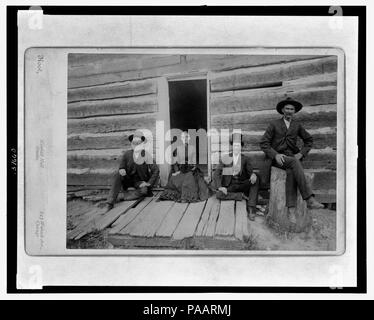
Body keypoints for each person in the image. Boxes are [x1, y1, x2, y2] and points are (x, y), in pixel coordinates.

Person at [259, 97, 324, 224]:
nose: (289, 111)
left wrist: (301, 153)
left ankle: (291, 210)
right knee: (295, 163)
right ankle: (309, 199)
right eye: (287, 108)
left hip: (289, 158)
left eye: (292, 109)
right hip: (275, 158)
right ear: (282, 110)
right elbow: (264, 143)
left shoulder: (297, 125)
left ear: (294, 111)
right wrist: (275, 155)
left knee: (291, 171)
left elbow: (309, 140)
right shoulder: (274, 124)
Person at [103, 131, 159, 212]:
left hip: (139, 181)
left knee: (144, 190)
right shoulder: (127, 154)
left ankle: (123, 196)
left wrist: (149, 183)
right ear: (131, 143)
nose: (136, 144)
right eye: (134, 142)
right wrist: (122, 169)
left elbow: (156, 170)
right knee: (117, 174)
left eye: (138, 142)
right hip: (128, 179)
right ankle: (110, 203)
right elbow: (122, 166)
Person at [212, 133, 259, 221]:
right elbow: (216, 173)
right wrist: (220, 187)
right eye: (234, 145)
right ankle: (240, 196)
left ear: (241, 147)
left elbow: (250, 173)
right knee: (219, 194)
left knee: (256, 179)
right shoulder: (225, 158)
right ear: (232, 146)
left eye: (238, 146)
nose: (236, 148)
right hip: (230, 186)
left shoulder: (245, 159)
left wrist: (253, 174)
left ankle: (251, 207)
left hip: (242, 184)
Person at [159, 131, 211, 202]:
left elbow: (194, 162)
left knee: (191, 179)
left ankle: (188, 195)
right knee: (175, 179)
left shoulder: (192, 148)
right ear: (181, 139)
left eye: (187, 137)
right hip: (180, 169)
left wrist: (191, 169)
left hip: (190, 169)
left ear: (189, 138)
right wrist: (177, 171)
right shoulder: (178, 148)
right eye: (183, 137)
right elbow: (175, 162)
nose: (185, 139)